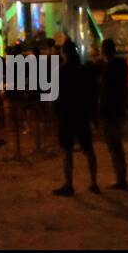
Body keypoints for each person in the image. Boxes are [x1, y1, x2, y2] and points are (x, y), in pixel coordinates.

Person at [53, 39, 100, 196]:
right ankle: (93, 182)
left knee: (67, 151)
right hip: (82, 114)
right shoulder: (84, 70)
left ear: (64, 53)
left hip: (66, 114)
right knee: (88, 149)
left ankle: (69, 184)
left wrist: (56, 112)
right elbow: (92, 92)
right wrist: (92, 114)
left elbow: (55, 95)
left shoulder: (60, 71)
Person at [98, 39, 128, 188]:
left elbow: (105, 90)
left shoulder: (108, 69)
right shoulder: (121, 66)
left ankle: (120, 179)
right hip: (119, 109)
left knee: (113, 146)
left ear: (103, 51)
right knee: (117, 145)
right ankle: (121, 176)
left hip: (109, 110)